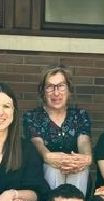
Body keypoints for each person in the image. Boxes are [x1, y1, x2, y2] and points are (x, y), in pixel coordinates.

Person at [23, 65, 92, 193]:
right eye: (50, 87)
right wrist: (47, 156)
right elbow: (37, 142)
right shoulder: (32, 116)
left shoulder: (79, 115)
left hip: (75, 171)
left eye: (61, 86)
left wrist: (84, 158)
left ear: (68, 89)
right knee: (53, 169)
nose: (56, 92)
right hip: (45, 173)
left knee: (80, 170)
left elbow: (83, 141)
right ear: (43, 91)